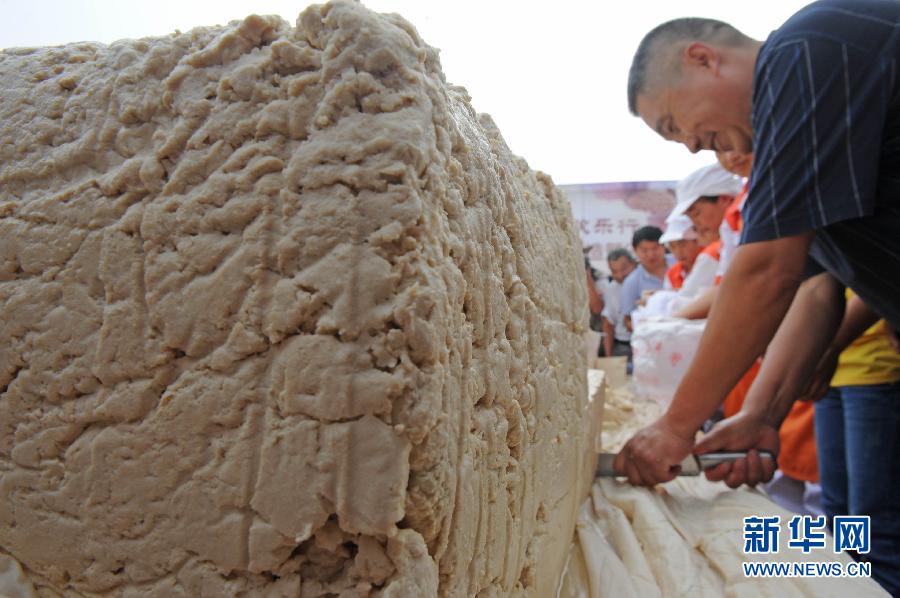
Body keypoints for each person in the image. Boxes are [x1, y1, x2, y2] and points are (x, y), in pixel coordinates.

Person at [619, 4, 900, 592]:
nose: (692, 146)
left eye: (674, 123)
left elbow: (767, 272)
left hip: (873, 378)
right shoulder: (804, 143)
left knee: (874, 530)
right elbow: (818, 285)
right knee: (846, 522)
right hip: (833, 380)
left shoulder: (805, 51)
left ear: (702, 58)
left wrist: (675, 427)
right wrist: (762, 415)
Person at [805, 290, 900, 586]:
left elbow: (870, 282)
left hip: (874, 371)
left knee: (873, 520)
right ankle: (853, 588)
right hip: (830, 372)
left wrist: (826, 346)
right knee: (837, 508)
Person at [619, 226, 674, 331]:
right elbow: (627, 320)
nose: (651, 255)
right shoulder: (631, 282)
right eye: (644, 250)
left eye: (655, 248)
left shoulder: (680, 263)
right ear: (635, 250)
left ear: (664, 246)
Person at [602, 248, 637, 359]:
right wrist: (608, 357)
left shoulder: (644, 280)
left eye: (624, 269)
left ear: (633, 264)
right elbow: (608, 324)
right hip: (623, 346)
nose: (620, 275)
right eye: (614, 271)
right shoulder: (611, 288)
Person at [659, 215, 705, 292]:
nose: (678, 252)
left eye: (682, 244)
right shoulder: (672, 274)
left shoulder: (711, 259)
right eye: (672, 246)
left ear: (697, 241)